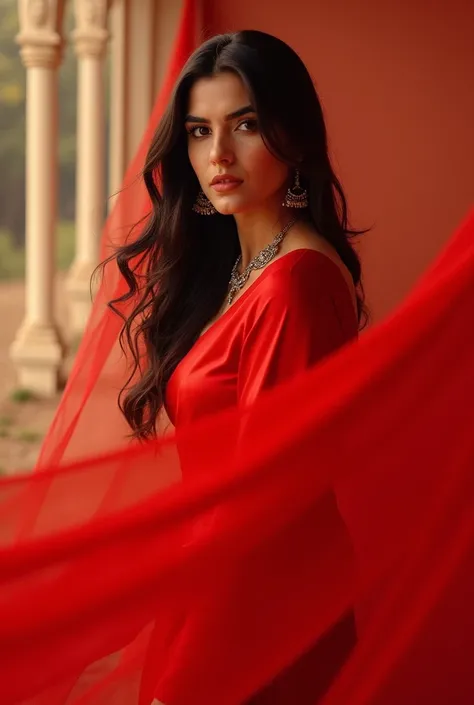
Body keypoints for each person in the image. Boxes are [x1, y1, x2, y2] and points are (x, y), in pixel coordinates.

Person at [106, 29, 362, 703]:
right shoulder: (247, 271)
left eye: (244, 125)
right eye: (198, 131)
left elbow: (263, 513)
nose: (216, 155)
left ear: (294, 135)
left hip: (261, 615)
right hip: (223, 593)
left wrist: (189, 676)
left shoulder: (292, 284)